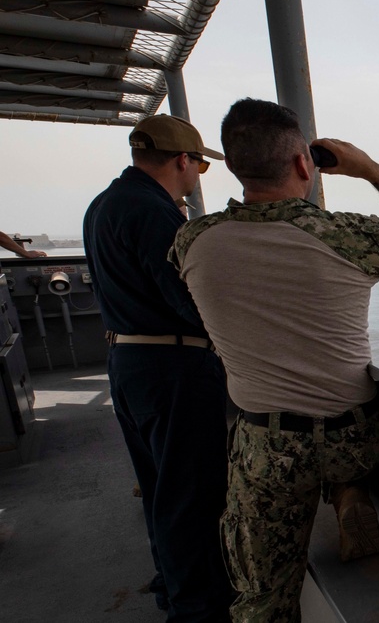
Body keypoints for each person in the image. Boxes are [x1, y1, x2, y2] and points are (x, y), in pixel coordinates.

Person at [169, 98, 379, 622]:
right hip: (356, 437)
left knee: (262, 595)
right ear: (306, 164)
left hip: (266, 445)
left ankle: (330, 504)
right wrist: (371, 171)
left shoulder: (192, 241)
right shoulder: (347, 236)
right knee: (340, 442)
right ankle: (348, 488)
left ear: (232, 165)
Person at [83, 114, 233, 622]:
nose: (197, 177)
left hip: (128, 362)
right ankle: (197, 609)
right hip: (172, 369)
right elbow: (189, 300)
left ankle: (172, 583)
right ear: (183, 161)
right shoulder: (153, 212)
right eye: (200, 167)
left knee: (159, 487)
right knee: (190, 494)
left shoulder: (102, 204)